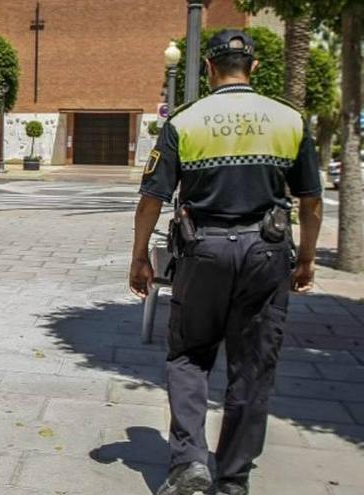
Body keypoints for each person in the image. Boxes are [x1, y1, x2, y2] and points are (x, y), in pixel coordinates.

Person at [128, 30, 323, 495]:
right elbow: (312, 201)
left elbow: (151, 199)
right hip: (267, 252)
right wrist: (308, 259)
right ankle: (234, 479)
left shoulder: (186, 120)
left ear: (210, 69)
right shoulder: (289, 120)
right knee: (252, 367)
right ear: (253, 67)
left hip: (204, 252)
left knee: (190, 355)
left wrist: (139, 257)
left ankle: (188, 465)